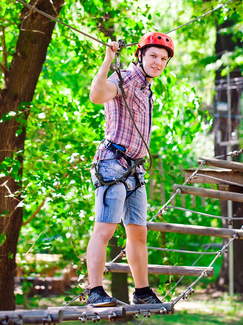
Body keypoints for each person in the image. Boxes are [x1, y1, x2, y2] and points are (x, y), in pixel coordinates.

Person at [86, 32, 174, 307]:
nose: (158, 62)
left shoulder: (148, 88)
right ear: (140, 55)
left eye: (163, 59)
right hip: (113, 162)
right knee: (106, 228)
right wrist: (108, 59)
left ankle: (142, 291)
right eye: (153, 56)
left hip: (135, 170)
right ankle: (95, 291)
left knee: (138, 233)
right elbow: (97, 95)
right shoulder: (124, 78)